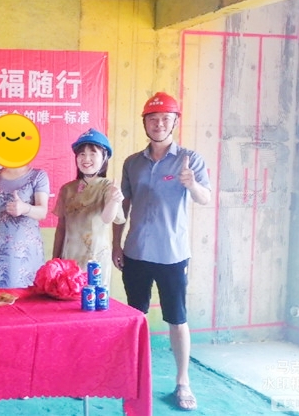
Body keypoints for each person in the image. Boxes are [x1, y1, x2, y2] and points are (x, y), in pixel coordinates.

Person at [112, 92, 211, 412]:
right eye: (153, 119)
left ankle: (183, 382)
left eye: (165, 119)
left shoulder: (190, 160)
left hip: (172, 254)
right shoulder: (132, 162)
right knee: (136, 317)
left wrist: (191, 184)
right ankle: (133, 377)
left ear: (175, 122)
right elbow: (123, 207)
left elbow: (205, 198)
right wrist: (116, 243)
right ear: (144, 123)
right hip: (136, 251)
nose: (159, 124)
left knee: (177, 318)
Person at [52, 128, 124, 287]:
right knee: (67, 298)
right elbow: (61, 227)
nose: (86, 159)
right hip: (69, 260)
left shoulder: (108, 187)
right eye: (82, 154)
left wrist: (114, 200)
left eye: (93, 153)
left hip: (95, 263)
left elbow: (107, 218)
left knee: (92, 299)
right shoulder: (67, 189)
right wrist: (55, 260)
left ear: (104, 157)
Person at [0, 165, 49, 288]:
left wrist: (25, 208)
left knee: (28, 296)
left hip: (26, 253)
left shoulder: (38, 175)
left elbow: (42, 212)